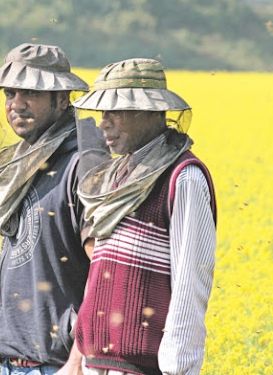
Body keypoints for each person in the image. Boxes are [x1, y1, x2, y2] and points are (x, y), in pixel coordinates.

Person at [72, 58, 217, 375]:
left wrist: (178, 368)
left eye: (116, 111)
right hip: (99, 364)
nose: (103, 123)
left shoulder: (183, 178)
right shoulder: (116, 177)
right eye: (101, 112)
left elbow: (191, 281)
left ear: (151, 112)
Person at [0, 43, 106, 374]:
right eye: (10, 93)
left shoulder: (83, 165)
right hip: (10, 364)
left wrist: (78, 360)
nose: (16, 104)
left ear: (62, 99)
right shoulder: (22, 167)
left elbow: (106, 271)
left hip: (58, 366)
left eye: (31, 93)